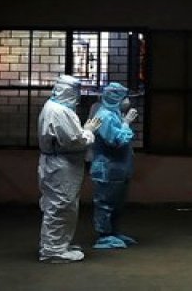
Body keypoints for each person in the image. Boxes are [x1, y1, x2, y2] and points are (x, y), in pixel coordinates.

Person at [38, 74, 102, 263]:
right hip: (61, 165)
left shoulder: (56, 107)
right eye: (77, 91)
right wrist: (88, 131)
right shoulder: (58, 112)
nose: (78, 96)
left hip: (60, 164)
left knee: (63, 206)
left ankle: (59, 244)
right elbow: (75, 140)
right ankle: (53, 251)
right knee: (60, 206)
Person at [90, 82, 140, 249]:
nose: (127, 101)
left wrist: (123, 121)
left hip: (118, 168)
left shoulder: (114, 113)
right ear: (115, 98)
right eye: (125, 97)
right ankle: (104, 236)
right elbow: (116, 141)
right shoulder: (105, 116)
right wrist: (126, 123)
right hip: (107, 168)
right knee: (105, 203)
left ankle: (114, 232)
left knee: (117, 203)